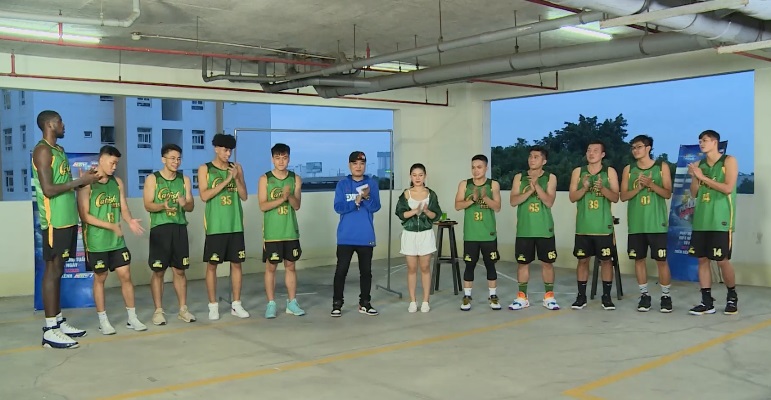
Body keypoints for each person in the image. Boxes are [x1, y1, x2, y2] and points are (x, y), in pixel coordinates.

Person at [32, 110, 100, 349]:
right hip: (55, 222)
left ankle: (58, 321)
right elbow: (49, 189)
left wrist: (83, 180)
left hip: (68, 219)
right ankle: (50, 330)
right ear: (50, 124)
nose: (64, 125)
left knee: (59, 269)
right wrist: (80, 182)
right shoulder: (42, 150)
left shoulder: (58, 151)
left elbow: (64, 184)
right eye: (60, 121)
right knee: (52, 271)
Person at [77, 145, 147, 334]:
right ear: (101, 159)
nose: (114, 167)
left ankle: (132, 318)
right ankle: (103, 321)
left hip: (117, 241)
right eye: (112, 162)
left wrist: (130, 220)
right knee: (100, 278)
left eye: (117, 164)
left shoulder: (117, 183)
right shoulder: (87, 183)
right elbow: (85, 216)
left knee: (126, 275)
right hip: (97, 242)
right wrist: (111, 226)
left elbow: (123, 208)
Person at [687, 130, 738, 315]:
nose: (701, 143)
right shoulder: (700, 165)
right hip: (701, 220)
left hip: (720, 220)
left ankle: (732, 296)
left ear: (715, 142)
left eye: (705, 140)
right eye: (700, 140)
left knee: (722, 260)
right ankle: (707, 301)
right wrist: (695, 176)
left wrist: (703, 177)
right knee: (702, 259)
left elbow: (728, 188)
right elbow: (694, 193)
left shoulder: (728, 161)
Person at [144, 144, 196, 325]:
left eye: (179, 158)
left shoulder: (184, 179)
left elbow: (191, 206)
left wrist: (184, 204)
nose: (176, 161)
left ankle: (183, 309)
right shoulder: (153, 179)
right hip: (160, 229)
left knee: (180, 270)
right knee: (158, 271)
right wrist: (162, 206)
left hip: (179, 228)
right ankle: (158, 311)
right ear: (163, 159)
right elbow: (148, 205)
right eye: (172, 158)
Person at [620, 135, 673, 313]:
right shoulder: (629, 169)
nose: (635, 150)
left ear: (648, 148)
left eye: (639, 147)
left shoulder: (661, 167)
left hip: (657, 223)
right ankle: (644, 295)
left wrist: (651, 185)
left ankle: (666, 296)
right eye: (633, 147)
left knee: (661, 260)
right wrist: (639, 188)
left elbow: (667, 193)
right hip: (637, 224)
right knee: (639, 259)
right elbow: (623, 196)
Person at [198, 133, 249, 320]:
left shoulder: (236, 168)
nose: (228, 154)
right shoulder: (205, 169)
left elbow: (244, 196)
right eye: (225, 150)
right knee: (212, 265)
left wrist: (237, 178)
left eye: (230, 151)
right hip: (215, 226)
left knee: (236, 264)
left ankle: (236, 304)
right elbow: (204, 195)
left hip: (235, 224)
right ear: (216, 149)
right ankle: (213, 306)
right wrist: (227, 180)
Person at [568, 140, 620, 310]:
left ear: (602, 155)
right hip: (583, 227)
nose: (591, 153)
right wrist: (584, 188)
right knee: (582, 261)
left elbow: (615, 197)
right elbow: (572, 197)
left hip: (603, 227)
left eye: (595, 151)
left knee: (606, 261)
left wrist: (602, 188)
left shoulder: (609, 172)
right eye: (589, 150)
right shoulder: (578, 172)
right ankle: (581, 296)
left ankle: (606, 296)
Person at [508, 146, 560, 311]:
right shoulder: (519, 177)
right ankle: (522, 297)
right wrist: (529, 190)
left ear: (544, 161)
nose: (532, 159)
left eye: (536, 157)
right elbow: (513, 201)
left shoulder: (550, 178)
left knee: (547, 263)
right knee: (523, 263)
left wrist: (536, 186)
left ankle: (549, 297)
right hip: (525, 229)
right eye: (530, 156)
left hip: (544, 229)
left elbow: (549, 202)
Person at [331, 151, 382, 317]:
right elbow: (338, 207)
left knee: (366, 272)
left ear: (365, 165)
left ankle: (365, 303)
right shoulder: (342, 184)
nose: (358, 167)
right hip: (345, 236)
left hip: (365, 236)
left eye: (361, 163)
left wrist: (366, 198)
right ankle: (337, 304)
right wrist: (356, 201)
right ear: (349, 165)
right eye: (355, 163)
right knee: (341, 271)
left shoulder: (371, 184)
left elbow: (376, 207)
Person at [258, 143, 305, 319]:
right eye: (277, 158)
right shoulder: (265, 179)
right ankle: (271, 303)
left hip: (290, 231)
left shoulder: (295, 179)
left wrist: (289, 195)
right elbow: (263, 205)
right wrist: (281, 198)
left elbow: (297, 205)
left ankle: (292, 302)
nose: (281, 161)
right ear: (272, 159)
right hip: (272, 233)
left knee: (291, 266)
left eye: (284, 158)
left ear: (289, 159)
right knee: (271, 267)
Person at [454, 154, 502, 311]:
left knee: (490, 265)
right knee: (469, 265)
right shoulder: (464, 184)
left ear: (486, 168)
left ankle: (493, 296)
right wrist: (473, 199)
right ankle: (467, 296)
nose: (476, 170)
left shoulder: (493, 184)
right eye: (473, 167)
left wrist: (484, 197)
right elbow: (457, 205)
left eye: (479, 167)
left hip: (488, 234)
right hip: (471, 234)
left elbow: (497, 207)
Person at [396, 163, 442, 313]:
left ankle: (426, 301)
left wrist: (426, 211)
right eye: (414, 175)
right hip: (409, 234)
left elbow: (436, 215)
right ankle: (412, 301)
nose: (417, 178)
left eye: (420, 175)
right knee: (411, 268)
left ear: (425, 176)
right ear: (410, 176)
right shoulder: (406, 194)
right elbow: (401, 214)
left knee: (425, 267)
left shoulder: (431, 194)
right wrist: (415, 211)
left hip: (425, 234)